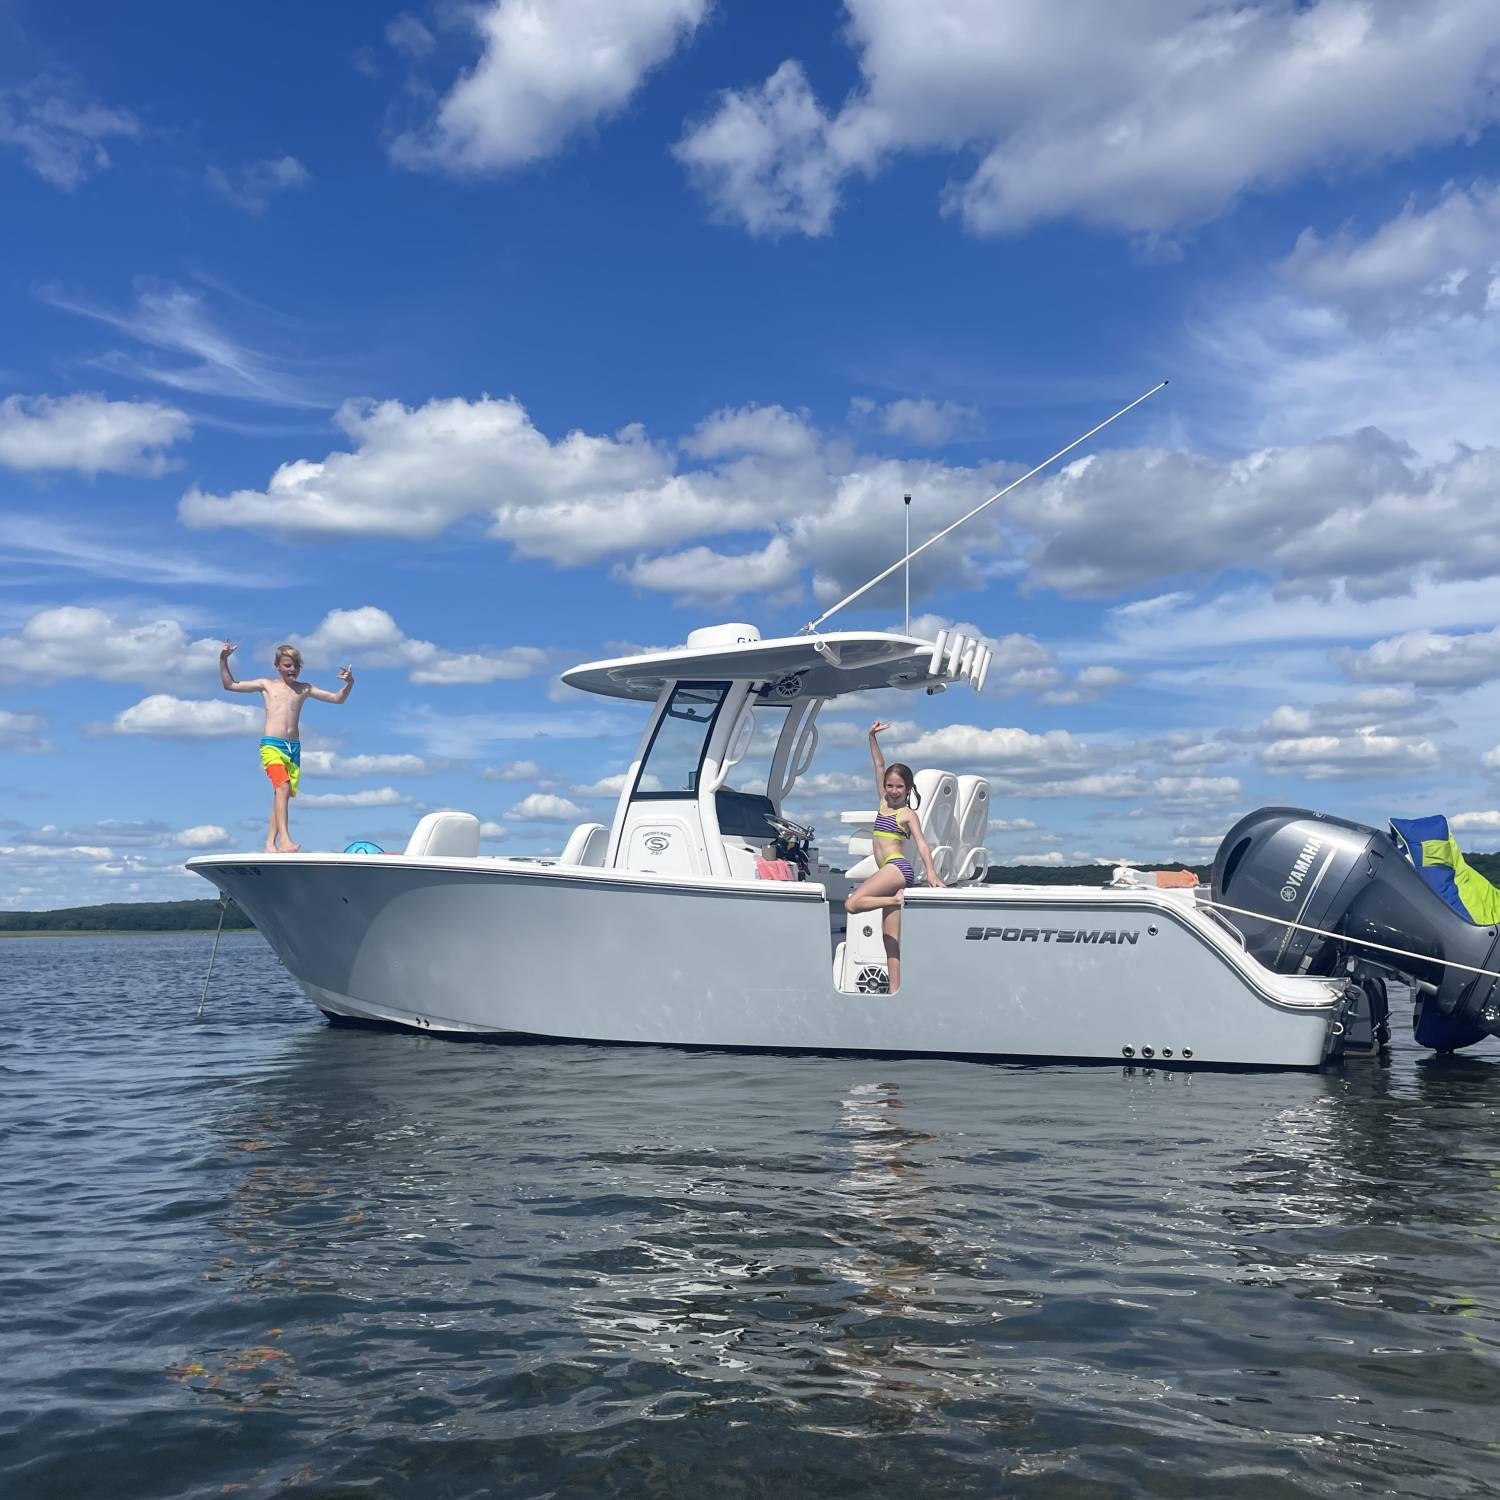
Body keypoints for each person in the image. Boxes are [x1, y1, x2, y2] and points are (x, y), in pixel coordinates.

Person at [220, 641, 354, 853]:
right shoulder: (267, 685)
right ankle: (285, 840)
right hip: (271, 746)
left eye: (296, 665)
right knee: (281, 787)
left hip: (293, 748)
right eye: (288, 665)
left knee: (281, 794)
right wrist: (223, 659)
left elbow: (337, 699)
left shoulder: (304, 689)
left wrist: (349, 684)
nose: (293, 669)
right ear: (278, 666)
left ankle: (269, 844)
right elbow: (230, 685)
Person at [846, 721, 942, 993]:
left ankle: (897, 900)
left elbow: (923, 845)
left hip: (897, 868)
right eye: (890, 785)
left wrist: (932, 874)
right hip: (892, 873)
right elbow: (878, 765)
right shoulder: (882, 803)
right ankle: (895, 992)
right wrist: (871, 736)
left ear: (908, 788)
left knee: (853, 905)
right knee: (889, 938)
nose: (893, 790)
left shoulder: (907, 814)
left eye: (899, 786)